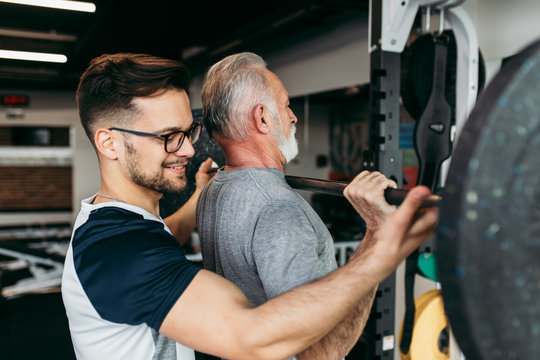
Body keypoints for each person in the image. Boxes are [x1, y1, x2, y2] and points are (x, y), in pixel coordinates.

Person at [61, 52, 438, 360]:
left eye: (188, 131)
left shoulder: (118, 221)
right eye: (168, 137)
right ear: (109, 144)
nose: (189, 150)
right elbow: (253, 336)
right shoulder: (117, 250)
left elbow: (165, 233)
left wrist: (200, 196)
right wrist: (379, 244)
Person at [197, 52, 396, 360]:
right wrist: (378, 236)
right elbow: (323, 352)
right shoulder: (279, 210)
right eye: (286, 104)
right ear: (261, 117)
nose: (293, 116)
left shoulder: (214, 188)